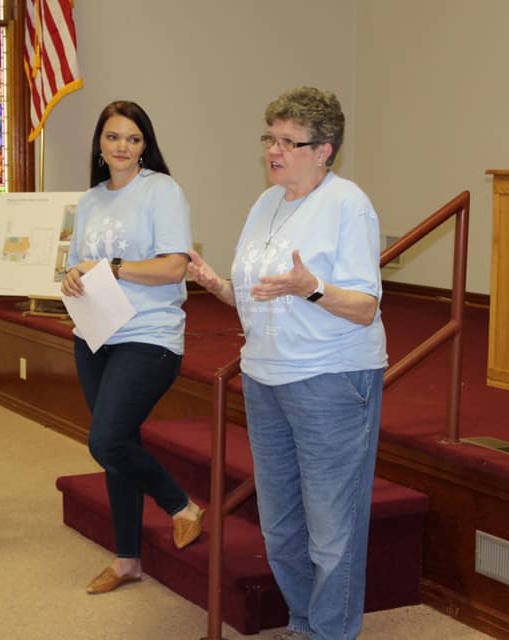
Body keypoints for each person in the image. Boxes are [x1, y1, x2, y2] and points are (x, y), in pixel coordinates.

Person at [187, 87, 387, 640]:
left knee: (332, 530)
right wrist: (218, 286)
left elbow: (366, 306)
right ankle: (304, 623)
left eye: (289, 142)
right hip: (265, 378)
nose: (274, 151)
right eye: (270, 139)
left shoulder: (349, 205)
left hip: (331, 379)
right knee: (280, 528)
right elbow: (259, 296)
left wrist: (313, 287)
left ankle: (330, 633)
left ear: (324, 150)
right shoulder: (267, 202)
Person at [61, 100, 205, 595]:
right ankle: (127, 562)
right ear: (99, 144)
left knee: (106, 439)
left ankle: (181, 506)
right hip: (95, 334)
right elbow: (80, 265)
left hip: (149, 334)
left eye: (133, 138)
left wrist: (114, 268)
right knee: (119, 446)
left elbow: (172, 265)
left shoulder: (161, 191)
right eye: (113, 137)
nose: (121, 146)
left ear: (146, 146)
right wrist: (73, 277)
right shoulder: (89, 200)